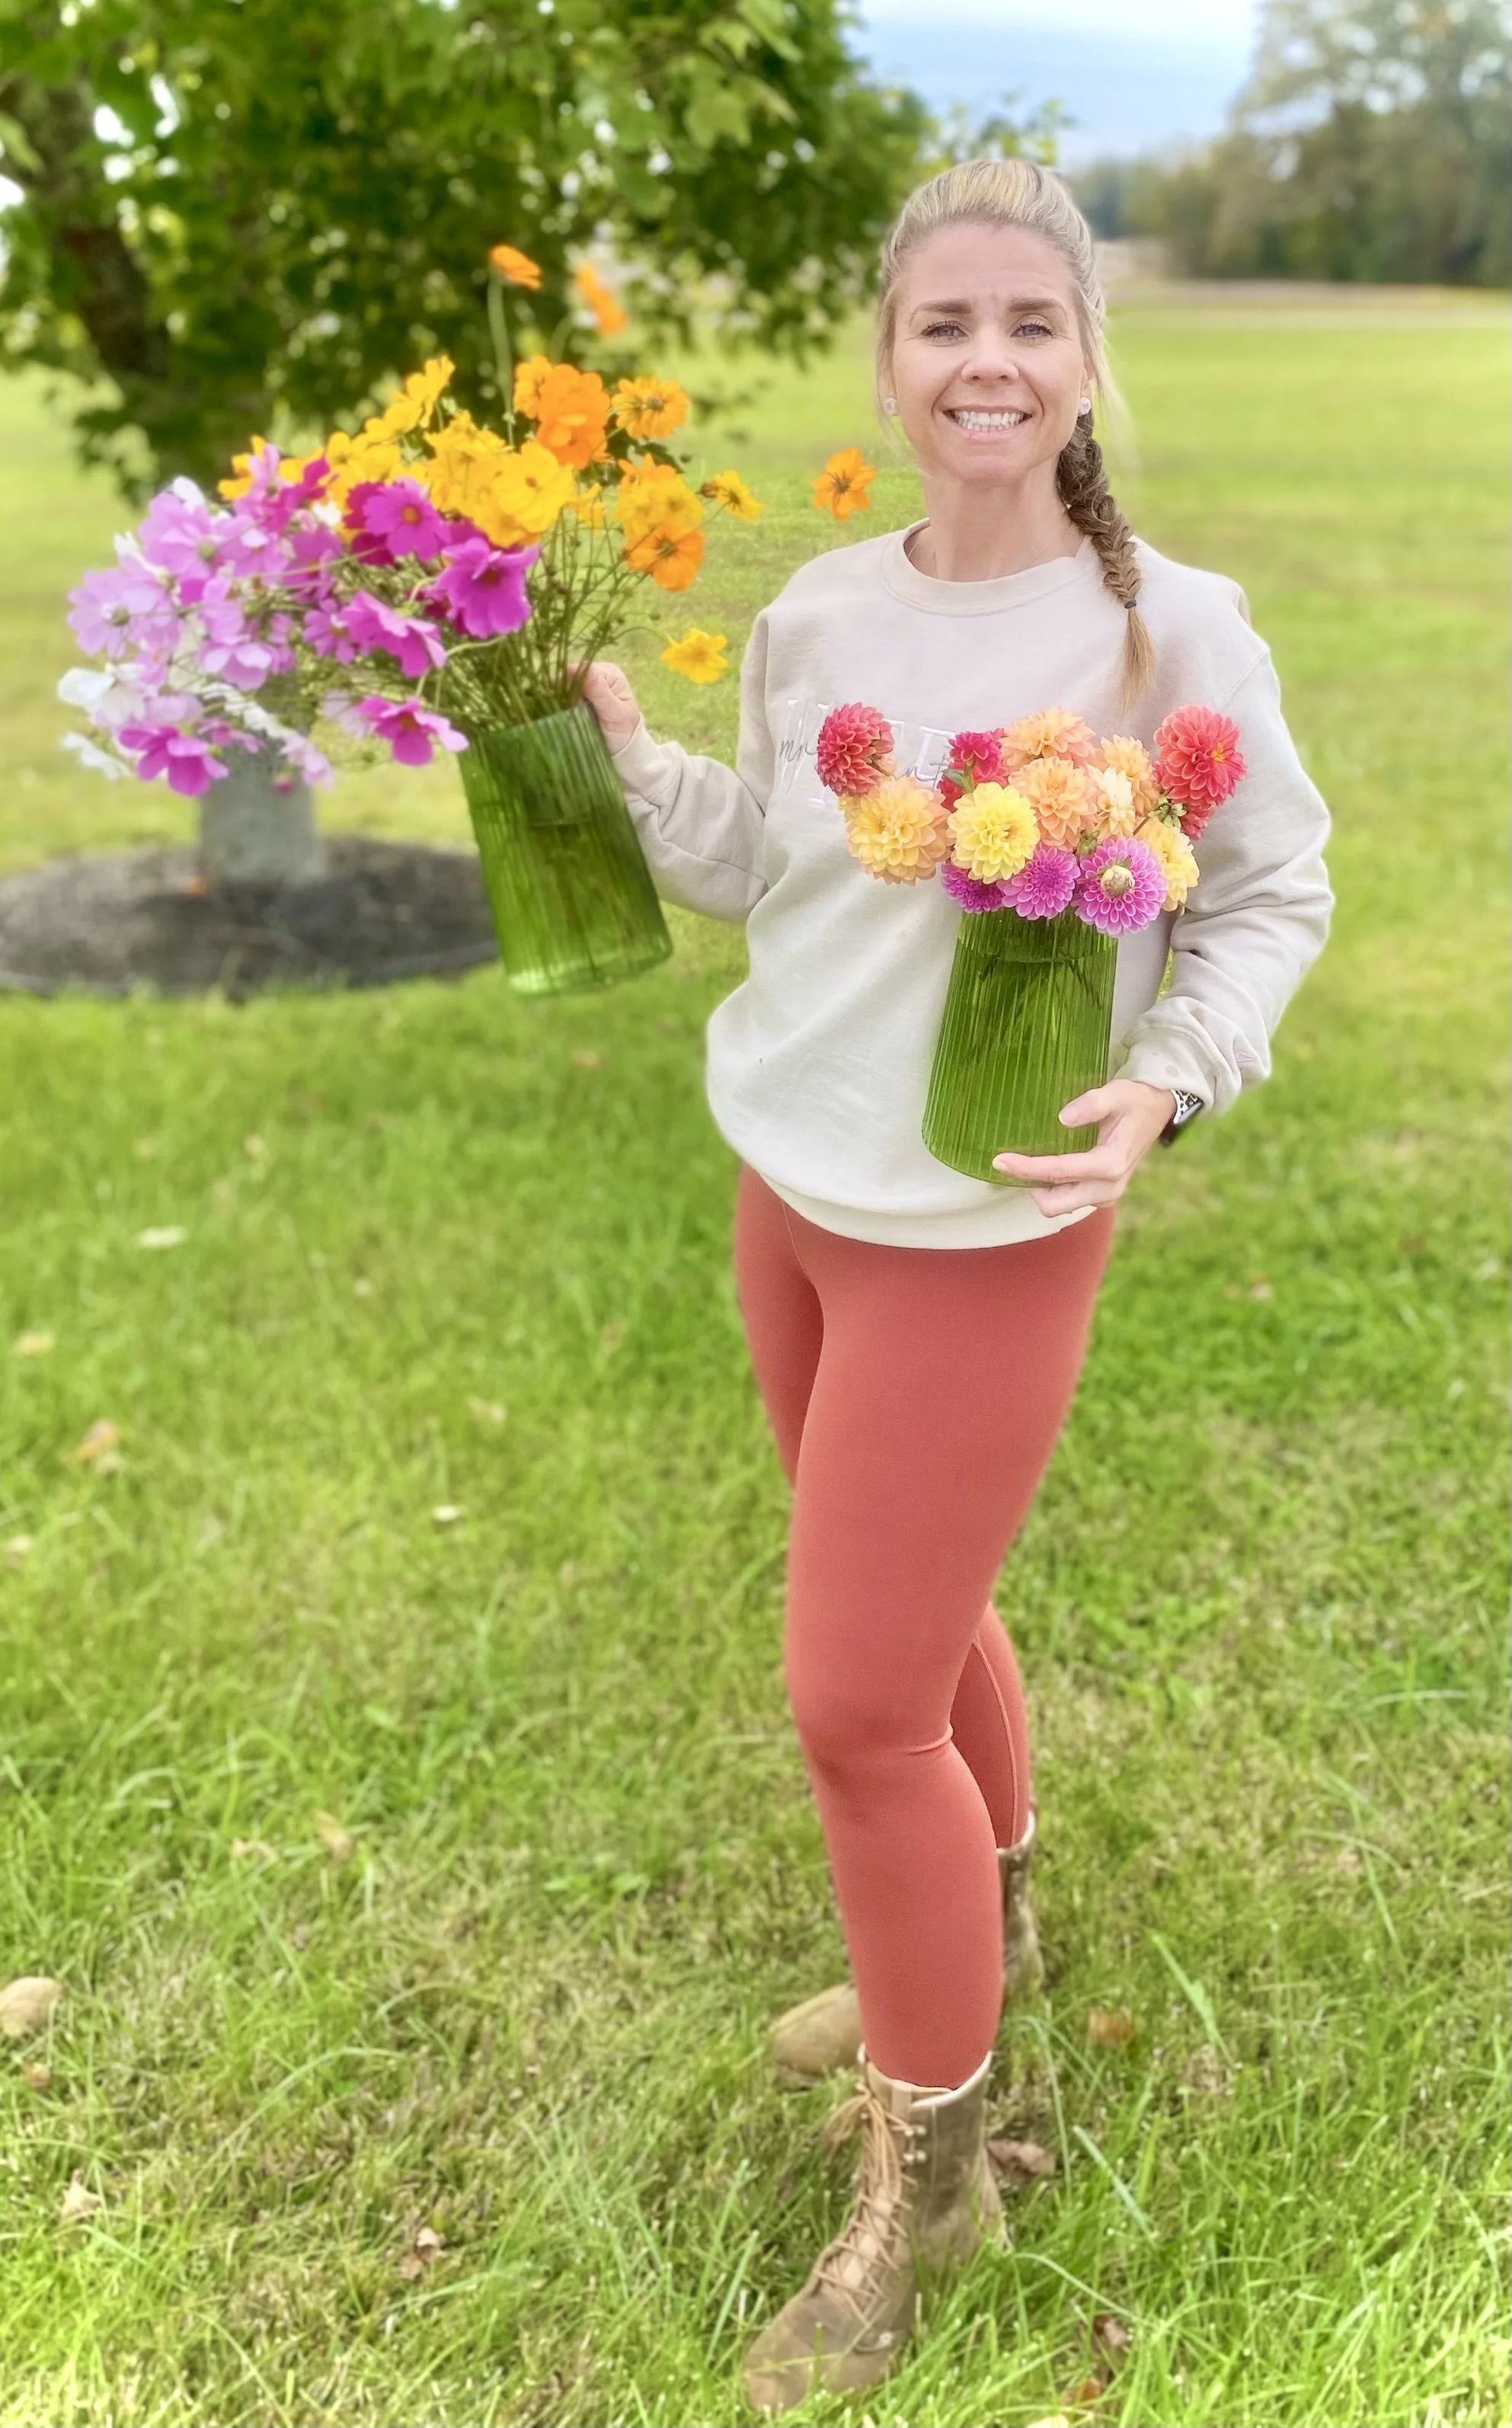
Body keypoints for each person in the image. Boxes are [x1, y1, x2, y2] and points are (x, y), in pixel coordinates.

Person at [579, 157, 1331, 2415]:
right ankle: (983, 1934)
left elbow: (1269, 892)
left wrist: (1172, 1073)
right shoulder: (817, 609)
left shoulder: (1165, 633)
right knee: (919, 1627)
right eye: (943, 326)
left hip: (984, 1231)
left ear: (1087, 357)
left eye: (1027, 322)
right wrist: (626, 774)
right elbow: (768, 869)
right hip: (789, 1193)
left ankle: (934, 2184)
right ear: (888, 361)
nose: (983, 361)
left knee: (850, 1704)